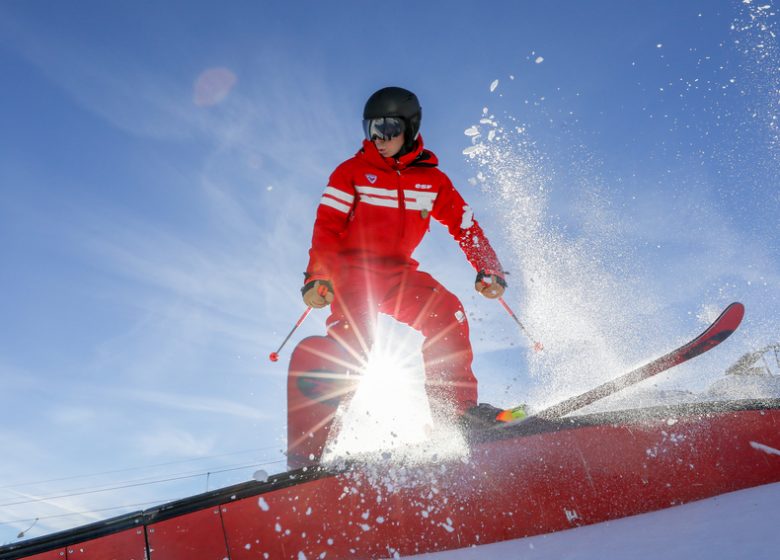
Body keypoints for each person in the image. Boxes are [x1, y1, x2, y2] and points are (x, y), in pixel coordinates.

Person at [287, 86, 508, 469]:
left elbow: (464, 226)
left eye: (388, 127)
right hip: (352, 271)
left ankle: (456, 416)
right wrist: (318, 276)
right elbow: (327, 226)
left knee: (447, 314)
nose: (379, 137)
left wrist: (487, 266)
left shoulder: (432, 181)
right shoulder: (351, 172)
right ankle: (313, 445)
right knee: (356, 343)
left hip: (397, 271)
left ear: (410, 126)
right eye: (372, 128)